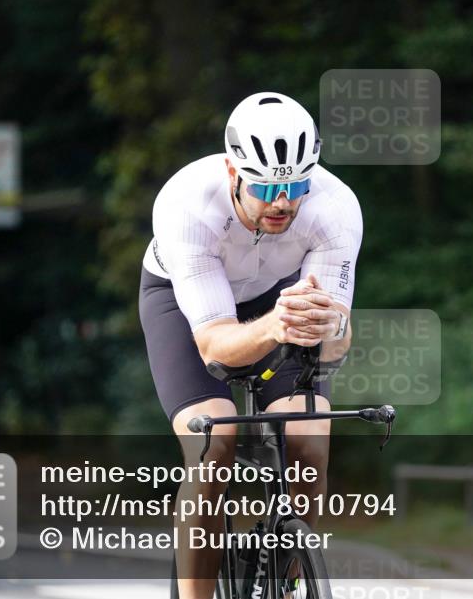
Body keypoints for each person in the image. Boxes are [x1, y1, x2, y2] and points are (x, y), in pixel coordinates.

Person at [138, 92, 362, 599]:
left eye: (296, 184)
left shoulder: (336, 208)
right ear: (232, 170)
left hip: (277, 300)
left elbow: (335, 347)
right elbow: (215, 346)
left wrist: (332, 329)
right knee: (213, 446)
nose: (283, 202)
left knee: (308, 442)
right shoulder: (186, 205)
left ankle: (280, 582)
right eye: (266, 187)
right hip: (183, 304)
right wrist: (274, 327)